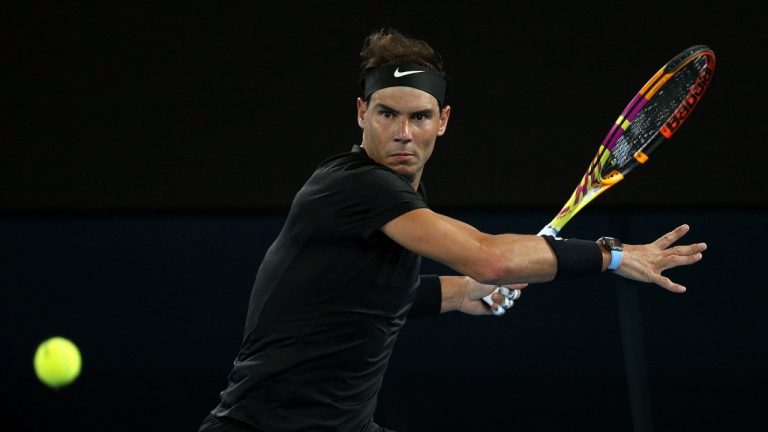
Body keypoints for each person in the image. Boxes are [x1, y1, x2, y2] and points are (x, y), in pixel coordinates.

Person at [198, 27, 706, 432]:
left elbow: (359, 298)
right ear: (361, 114)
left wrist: (464, 294)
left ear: (442, 120)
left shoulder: (394, 196)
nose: (403, 132)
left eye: (419, 117)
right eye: (386, 114)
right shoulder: (356, 188)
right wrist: (612, 256)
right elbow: (491, 258)